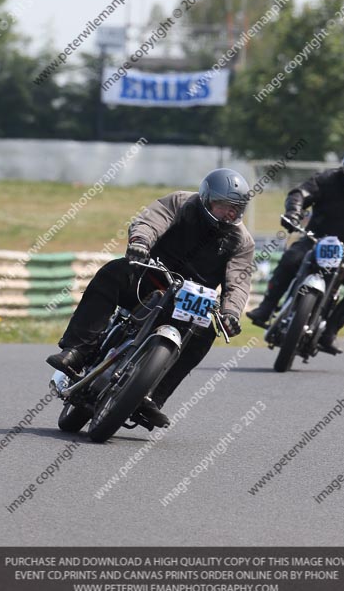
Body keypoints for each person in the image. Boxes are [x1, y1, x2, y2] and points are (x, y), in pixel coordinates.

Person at [47, 168, 255, 427]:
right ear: (206, 198)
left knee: (206, 332)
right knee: (113, 272)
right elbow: (151, 220)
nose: (230, 213)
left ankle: (153, 397)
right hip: (152, 276)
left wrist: (231, 313)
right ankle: (78, 349)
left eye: (236, 208)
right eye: (224, 205)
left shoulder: (242, 241)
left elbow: (239, 280)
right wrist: (140, 242)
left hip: (190, 300)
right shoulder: (181, 202)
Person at [247, 145, 344, 355]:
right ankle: (266, 307)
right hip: (314, 241)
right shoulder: (329, 180)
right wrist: (293, 213)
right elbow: (299, 193)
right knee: (291, 257)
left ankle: (330, 332)